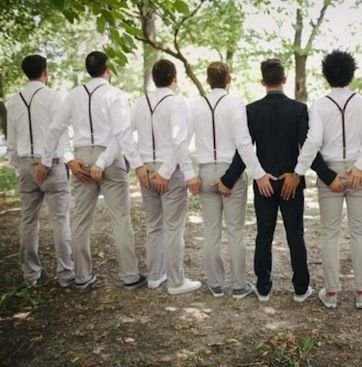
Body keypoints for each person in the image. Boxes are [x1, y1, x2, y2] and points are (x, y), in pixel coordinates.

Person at [224, 58, 334, 302]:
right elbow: (308, 148)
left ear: (263, 82)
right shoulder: (299, 109)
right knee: (295, 234)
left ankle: (263, 288)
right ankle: (300, 288)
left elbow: (245, 149)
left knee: (264, 234)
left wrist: (231, 179)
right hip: (290, 182)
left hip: (264, 181)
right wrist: (303, 174)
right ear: (285, 80)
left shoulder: (251, 110)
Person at [36, 51, 148, 291]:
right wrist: (132, 164)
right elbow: (122, 135)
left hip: (81, 159)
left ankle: (81, 277)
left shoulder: (73, 95)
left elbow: (55, 129)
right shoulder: (115, 94)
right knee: (121, 220)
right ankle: (130, 276)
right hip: (109, 158)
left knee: (80, 221)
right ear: (107, 68)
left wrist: (66, 160)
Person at [289, 50, 362, 309]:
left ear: (326, 74)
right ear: (352, 73)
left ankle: (331, 294)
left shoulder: (318, 105)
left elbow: (313, 140)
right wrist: (361, 167)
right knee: (360, 231)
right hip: (357, 172)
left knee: (329, 233)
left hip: (330, 174)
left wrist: (299, 170)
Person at [187, 62, 273, 299]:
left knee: (211, 230)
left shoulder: (195, 106)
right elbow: (244, 143)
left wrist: (189, 173)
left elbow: (180, 142)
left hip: (204, 171)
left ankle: (215, 284)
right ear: (229, 79)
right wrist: (259, 173)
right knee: (235, 231)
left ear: (207, 80)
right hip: (230, 172)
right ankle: (238, 286)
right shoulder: (235, 104)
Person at [130, 59, 201, 295]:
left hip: (146, 171)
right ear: (174, 78)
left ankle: (155, 275)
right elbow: (179, 140)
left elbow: (123, 135)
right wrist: (166, 172)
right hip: (168, 172)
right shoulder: (177, 103)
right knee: (173, 228)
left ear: (153, 78)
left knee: (153, 226)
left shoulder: (140, 102)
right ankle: (176, 282)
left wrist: (139, 165)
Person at [6, 55, 74, 287]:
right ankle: (66, 274)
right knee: (60, 220)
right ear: (45, 71)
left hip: (25, 164)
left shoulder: (13, 101)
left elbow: (12, 142)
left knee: (28, 221)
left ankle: (31, 275)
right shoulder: (55, 97)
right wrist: (64, 159)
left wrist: (19, 168)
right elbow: (62, 134)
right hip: (52, 165)